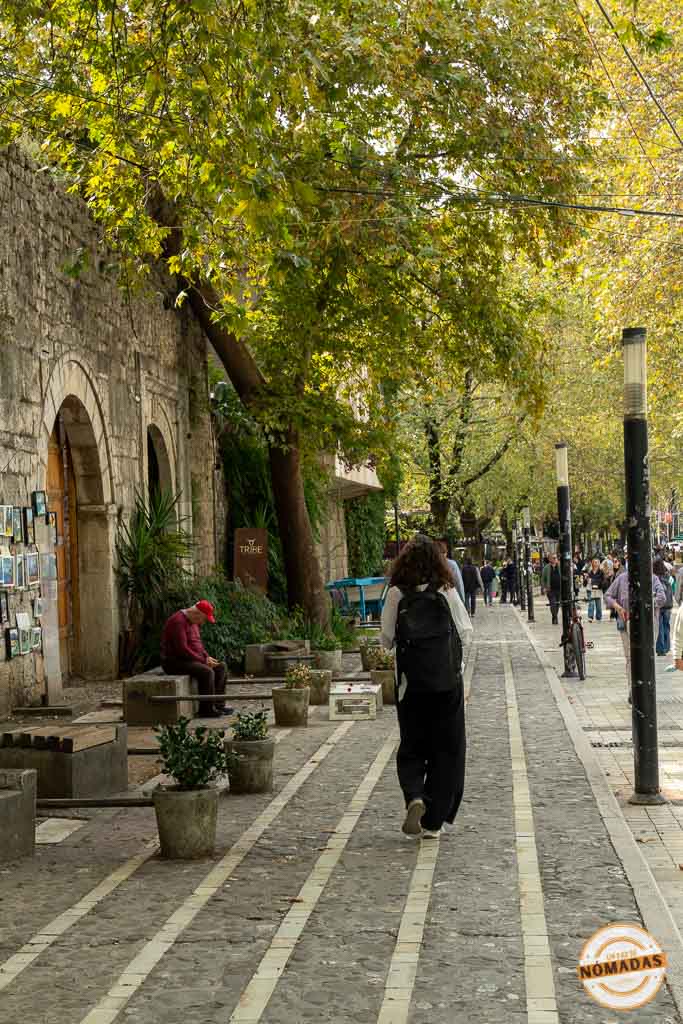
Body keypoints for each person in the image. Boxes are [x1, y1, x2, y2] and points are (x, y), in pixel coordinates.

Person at [380, 535, 472, 839]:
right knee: (448, 750)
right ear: (438, 562)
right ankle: (433, 822)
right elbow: (466, 631)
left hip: (410, 685)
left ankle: (415, 796)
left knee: (412, 746)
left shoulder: (396, 593)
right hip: (446, 684)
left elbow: (386, 639)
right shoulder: (445, 590)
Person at [605, 563, 666, 703]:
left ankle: (647, 688)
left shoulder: (652, 579)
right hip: (627, 624)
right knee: (630, 658)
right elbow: (608, 596)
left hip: (648, 624)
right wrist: (618, 607)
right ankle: (632, 690)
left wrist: (645, 604)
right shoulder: (621, 579)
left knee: (647, 657)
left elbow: (662, 598)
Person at [160, 600, 232, 718]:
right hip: (174, 662)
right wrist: (203, 661)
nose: (203, 622)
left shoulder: (193, 621)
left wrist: (206, 656)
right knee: (207, 672)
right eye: (204, 619)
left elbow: (198, 644)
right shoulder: (178, 621)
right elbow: (182, 650)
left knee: (221, 667)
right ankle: (206, 709)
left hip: (189, 659)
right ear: (196, 613)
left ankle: (218, 704)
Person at [654, 557, 674, 656]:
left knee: (659, 626)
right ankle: (666, 647)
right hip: (668, 604)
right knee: (666, 626)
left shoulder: (654, 577)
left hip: (659, 604)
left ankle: (661, 648)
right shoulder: (668, 576)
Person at [436, 539, 465, 606]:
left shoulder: (428, 564)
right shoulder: (451, 564)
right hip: (449, 598)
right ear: (445, 552)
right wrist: (462, 601)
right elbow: (458, 584)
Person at [541, 553, 562, 625]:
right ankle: (555, 617)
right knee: (553, 603)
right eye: (553, 558)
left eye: (556, 557)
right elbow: (543, 579)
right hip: (550, 590)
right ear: (550, 559)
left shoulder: (560, 566)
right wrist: (544, 588)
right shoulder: (546, 568)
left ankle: (554, 616)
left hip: (559, 589)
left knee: (557, 604)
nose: (555, 559)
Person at [584, 557, 605, 622]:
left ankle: (598, 617)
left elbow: (602, 581)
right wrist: (586, 578)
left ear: (599, 564)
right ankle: (590, 617)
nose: (595, 563)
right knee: (591, 603)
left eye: (597, 562)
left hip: (598, 589)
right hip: (590, 589)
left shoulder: (601, 572)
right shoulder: (589, 571)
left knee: (598, 604)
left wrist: (592, 581)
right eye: (594, 562)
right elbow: (585, 583)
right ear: (592, 563)